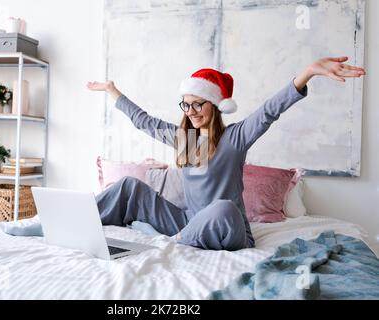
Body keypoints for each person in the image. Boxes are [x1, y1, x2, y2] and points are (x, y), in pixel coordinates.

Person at [87, 57, 365, 251]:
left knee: (223, 207)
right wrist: (113, 91)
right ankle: (75, 221)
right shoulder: (185, 139)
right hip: (187, 222)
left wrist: (308, 73)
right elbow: (143, 120)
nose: (191, 112)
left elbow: (269, 111)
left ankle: (179, 242)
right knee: (128, 187)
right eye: (186, 105)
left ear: (216, 106)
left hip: (229, 229)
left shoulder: (235, 137)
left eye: (198, 105)